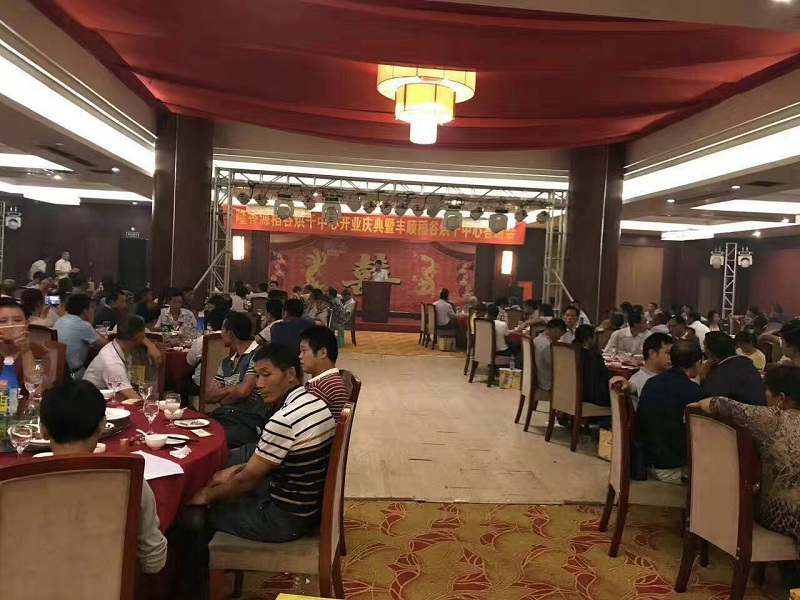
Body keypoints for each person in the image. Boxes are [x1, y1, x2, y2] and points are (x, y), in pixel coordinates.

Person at [190, 344, 336, 543]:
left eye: (266, 375)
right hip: (307, 507)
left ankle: (196, 561)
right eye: (257, 376)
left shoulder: (284, 420)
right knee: (226, 484)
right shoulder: (314, 402)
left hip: (283, 519)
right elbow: (274, 462)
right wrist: (236, 470)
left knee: (196, 513)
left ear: (290, 374)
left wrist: (205, 496)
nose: (259, 384)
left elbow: (245, 481)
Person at [39, 379, 167, 573]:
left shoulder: (15, 485)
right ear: (103, 425)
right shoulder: (128, 479)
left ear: (43, 430)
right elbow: (154, 562)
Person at [691, 366, 800, 562]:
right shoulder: (772, 419)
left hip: (779, 506)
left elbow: (719, 403)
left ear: (781, 398)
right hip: (780, 507)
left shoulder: (772, 418)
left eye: (768, 390)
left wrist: (698, 403)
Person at [637, 340, 708, 483]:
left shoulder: (652, 382)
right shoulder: (694, 392)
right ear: (697, 363)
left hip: (644, 459)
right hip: (670, 466)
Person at [206, 312, 268, 448]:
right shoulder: (226, 362)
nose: (220, 334)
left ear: (230, 333)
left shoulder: (258, 355)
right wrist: (233, 389)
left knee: (213, 441)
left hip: (248, 420)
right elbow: (209, 397)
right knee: (197, 433)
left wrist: (224, 393)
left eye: (222, 330)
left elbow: (243, 391)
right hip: (224, 416)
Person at [703, 331, 766, 406]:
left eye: (705, 348)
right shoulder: (746, 363)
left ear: (709, 352)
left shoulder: (719, 375)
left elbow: (709, 401)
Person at [300, 326, 350, 420]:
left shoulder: (322, 387)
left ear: (323, 353)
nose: (300, 356)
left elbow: (297, 420)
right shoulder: (329, 381)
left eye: (304, 351)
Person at [55, 294, 108, 378]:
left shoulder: (60, 320)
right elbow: (104, 343)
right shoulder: (83, 325)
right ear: (85, 310)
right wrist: (90, 322)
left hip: (59, 371)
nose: (93, 310)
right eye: (91, 307)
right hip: (75, 373)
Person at [184, 307, 228, 404]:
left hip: (201, 386)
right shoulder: (232, 340)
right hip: (226, 385)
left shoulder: (201, 340)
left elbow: (189, 362)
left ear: (209, 324)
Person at [628, 332, 673, 405]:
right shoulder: (639, 380)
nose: (672, 357)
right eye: (668, 353)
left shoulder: (672, 376)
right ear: (652, 353)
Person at [572, 325, 611, 407]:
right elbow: (605, 375)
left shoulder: (570, 352)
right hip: (590, 395)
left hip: (571, 391)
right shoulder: (593, 356)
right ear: (589, 338)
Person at [0, 298, 37, 381]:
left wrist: (26, 352)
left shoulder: (39, 352)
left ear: (26, 324)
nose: (10, 325)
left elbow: (36, 386)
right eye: (2, 321)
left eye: (17, 320)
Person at [533, 318, 567, 393]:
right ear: (556, 331)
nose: (559, 338)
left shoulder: (537, 339)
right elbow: (554, 367)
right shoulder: (547, 345)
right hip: (547, 382)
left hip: (540, 377)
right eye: (560, 335)